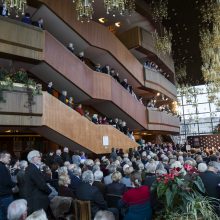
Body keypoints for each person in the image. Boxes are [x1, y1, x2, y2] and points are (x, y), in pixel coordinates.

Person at [0, 151, 16, 220]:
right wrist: (15, 184)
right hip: (5, 195)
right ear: (2, 158)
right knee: (8, 215)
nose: (9, 159)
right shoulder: (2, 167)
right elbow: (6, 181)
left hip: (2, 195)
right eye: (8, 157)